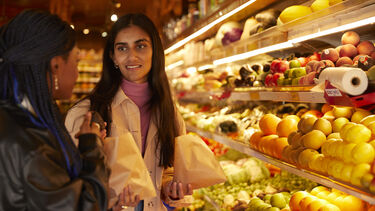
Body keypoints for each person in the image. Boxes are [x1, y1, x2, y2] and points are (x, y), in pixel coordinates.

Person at [65, 13, 192, 211]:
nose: (132, 56)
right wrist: (111, 201)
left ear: (155, 52)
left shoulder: (170, 114)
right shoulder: (85, 114)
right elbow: (72, 187)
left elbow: (170, 169)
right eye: (122, 48)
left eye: (140, 46)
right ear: (113, 56)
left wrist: (170, 189)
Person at [0, 10, 110, 210]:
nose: (77, 72)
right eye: (76, 61)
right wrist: (92, 148)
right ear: (56, 65)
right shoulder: (30, 143)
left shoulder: (13, 115)